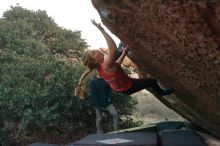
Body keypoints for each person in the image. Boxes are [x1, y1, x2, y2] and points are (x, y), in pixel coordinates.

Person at [80, 19, 173, 96]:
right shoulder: (106, 64)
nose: (96, 50)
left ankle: (121, 49)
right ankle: (162, 93)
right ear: (94, 61)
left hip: (121, 87)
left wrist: (124, 53)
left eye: (94, 50)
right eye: (93, 53)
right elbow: (112, 47)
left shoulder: (100, 67)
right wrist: (101, 29)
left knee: (117, 54)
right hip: (129, 86)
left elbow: (115, 65)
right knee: (151, 82)